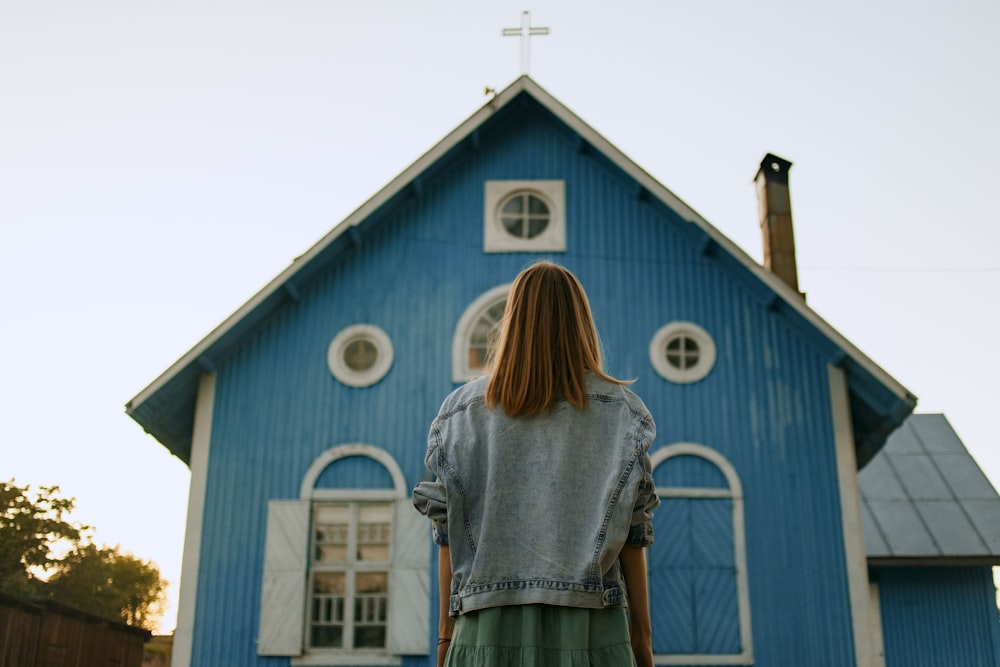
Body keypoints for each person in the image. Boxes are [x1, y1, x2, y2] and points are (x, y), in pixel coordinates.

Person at [413, 260, 659, 667]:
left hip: (483, 636)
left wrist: (445, 639)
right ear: (580, 323)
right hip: (593, 636)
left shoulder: (459, 413)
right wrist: (643, 644)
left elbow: (447, 537)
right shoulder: (623, 413)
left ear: (512, 321)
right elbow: (634, 538)